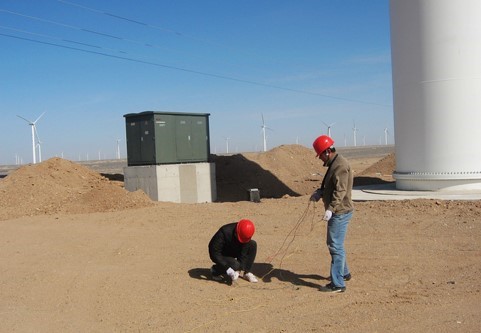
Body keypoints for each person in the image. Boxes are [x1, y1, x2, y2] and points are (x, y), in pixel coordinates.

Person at [310, 135, 354, 293]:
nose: (320, 158)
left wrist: (331, 209)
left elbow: (340, 190)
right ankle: (343, 273)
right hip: (337, 210)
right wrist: (320, 193)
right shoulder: (335, 163)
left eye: (320, 155)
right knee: (337, 244)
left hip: (340, 211)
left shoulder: (340, 165)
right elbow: (331, 185)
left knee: (335, 246)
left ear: (327, 151)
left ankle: (338, 284)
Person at [208, 219, 259, 283]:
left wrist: (240, 269)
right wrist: (228, 269)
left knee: (252, 244)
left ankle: (247, 273)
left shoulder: (244, 233)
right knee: (235, 265)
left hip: (233, 249)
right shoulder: (224, 232)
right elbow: (214, 253)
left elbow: (244, 251)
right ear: (236, 232)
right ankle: (215, 270)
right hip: (220, 255)